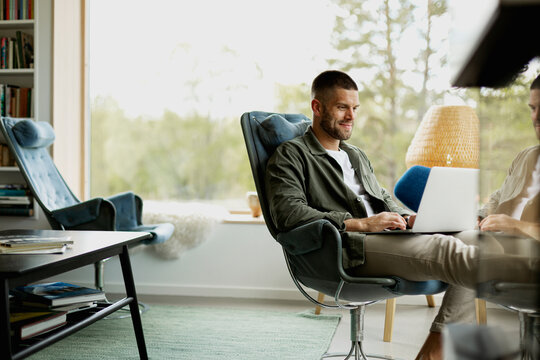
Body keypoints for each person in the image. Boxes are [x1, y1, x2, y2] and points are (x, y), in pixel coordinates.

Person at [265, 70, 537, 360]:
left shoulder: (354, 155)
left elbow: (381, 197)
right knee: (448, 250)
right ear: (317, 107)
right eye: (342, 107)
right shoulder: (291, 155)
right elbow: (288, 213)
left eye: (355, 108)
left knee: (476, 238)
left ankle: (439, 348)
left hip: (387, 236)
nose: (351, 117)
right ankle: (441, 350)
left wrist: (407, 219)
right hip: (349, 246)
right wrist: (359, 223)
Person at [478, 74, 540, 240]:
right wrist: (479, 217)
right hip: (495, 240)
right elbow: (499, 196)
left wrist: (516, 225)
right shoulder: (526, 156)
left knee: (439, 248)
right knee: (436, 237)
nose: (536, 117)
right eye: (533, 109)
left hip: (525, 252)